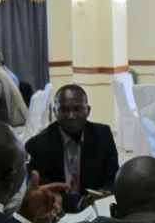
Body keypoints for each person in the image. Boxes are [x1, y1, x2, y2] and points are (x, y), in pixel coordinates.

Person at [26, 85, 118, 213]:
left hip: (96, 209)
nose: (71, 116)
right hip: (57, 212)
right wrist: (81, 202)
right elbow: (42, 191)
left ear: (88, 110)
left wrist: (103, 193)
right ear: (54, 112)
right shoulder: (38, 144)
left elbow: (113, 178)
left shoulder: (103, 135)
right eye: (64, 110)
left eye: (77, 109)